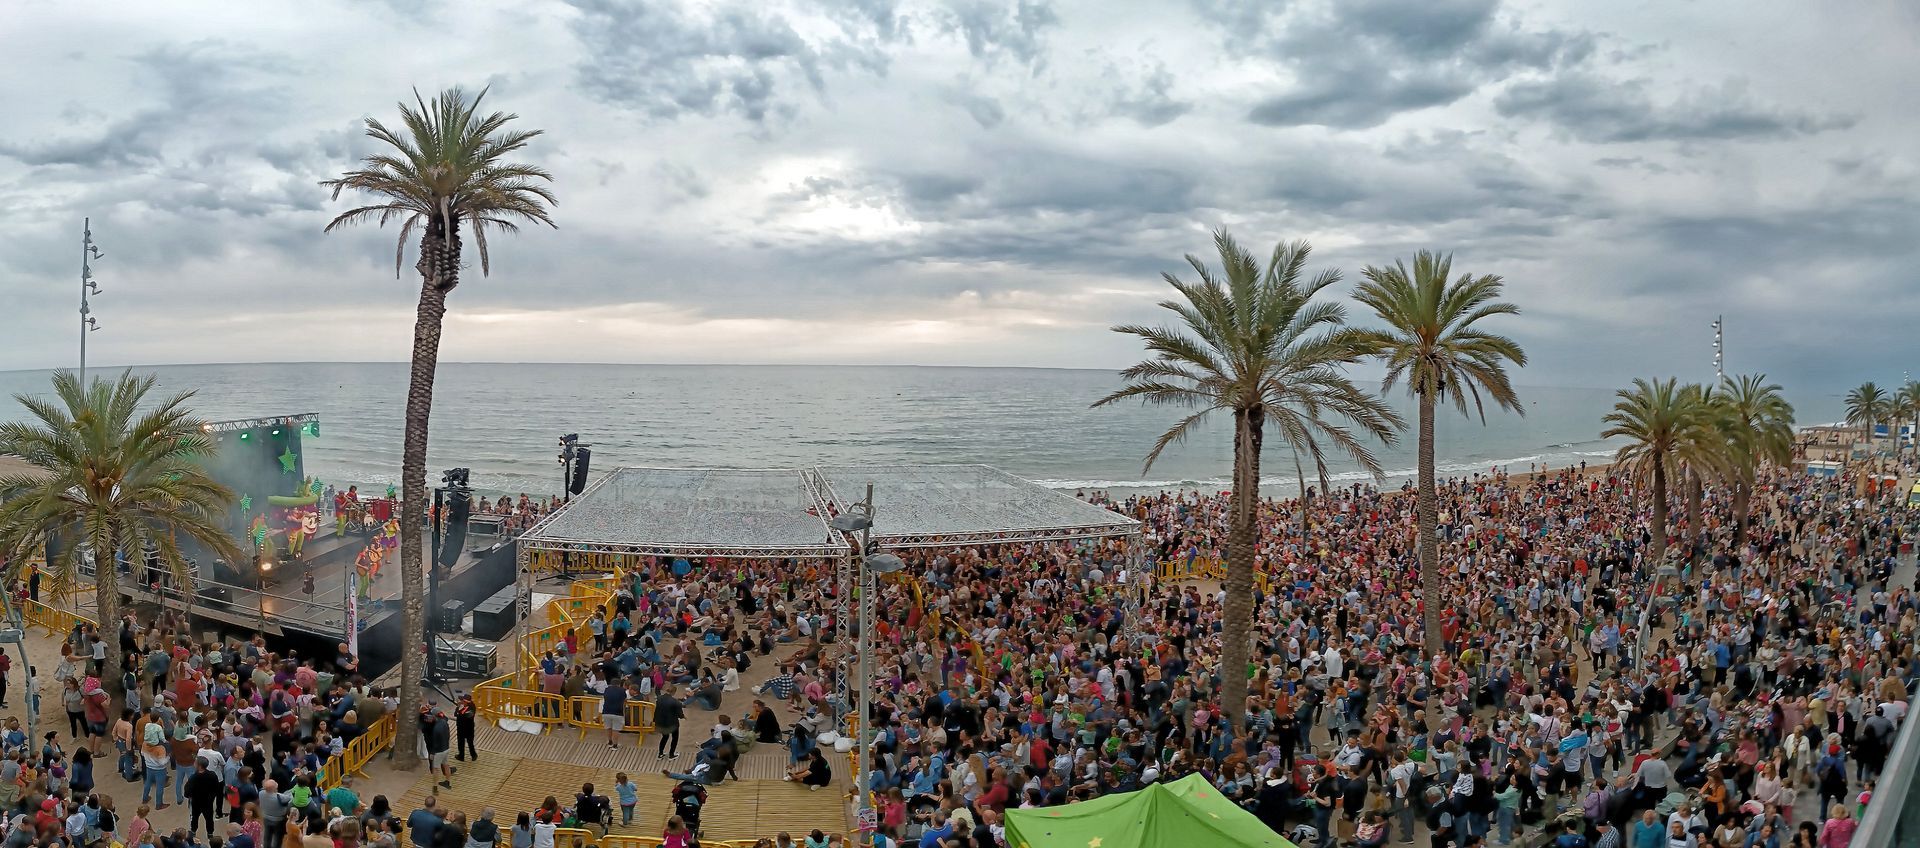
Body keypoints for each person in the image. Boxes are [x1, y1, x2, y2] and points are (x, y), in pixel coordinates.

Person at [420, 707, 453, 789]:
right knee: (446, 765)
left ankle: (435, 786)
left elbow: (435, 742)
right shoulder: (444, 722)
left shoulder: (436, 729)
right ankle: (448, 782)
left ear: (434, 716)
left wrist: (432, 753)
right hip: (446, 747)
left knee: (436, 768)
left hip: (439, 751)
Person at [654, 688, 684, 759]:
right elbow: (680, 715)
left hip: (661, 722)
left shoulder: (659, 699)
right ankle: (671, 754)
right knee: (675, 738)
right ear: (674, 692)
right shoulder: (676, 702)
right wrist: (683, 716)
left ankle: (660, 754)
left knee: (664, 737)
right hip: (672, 723)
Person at [601, 682, 628, 751]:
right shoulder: (622, 690)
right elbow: (625, 700)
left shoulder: (606, 689)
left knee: (608, 728)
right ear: (619, 684)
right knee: (616, 729)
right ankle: (615, 745)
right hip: (617, 712)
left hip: (606, 711)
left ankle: (610, 742)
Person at [454, 694, 478, 763]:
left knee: (469, 742)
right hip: (463, 728)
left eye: (463, 701)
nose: (462, 702)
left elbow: (457, 715)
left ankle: (473, 755)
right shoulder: (470, 705)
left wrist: (458, 708)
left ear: (466, 702)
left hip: (466, 728)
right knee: (461, 743)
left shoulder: (470, 710)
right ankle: (462, 755)